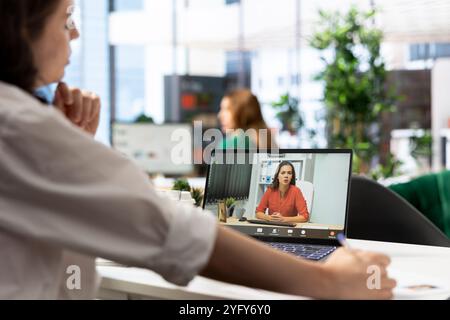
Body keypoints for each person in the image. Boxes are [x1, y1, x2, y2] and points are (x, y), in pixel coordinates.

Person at [0, 0, 396, 300]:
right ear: (20, 29)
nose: (75, 35)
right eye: (67, 18)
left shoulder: (24, 123)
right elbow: (175, 234)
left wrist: (66, 143)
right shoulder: (16, 123)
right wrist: (328, 281)